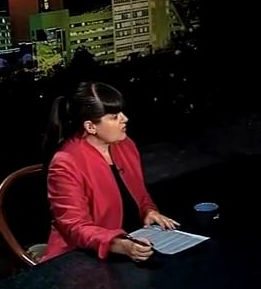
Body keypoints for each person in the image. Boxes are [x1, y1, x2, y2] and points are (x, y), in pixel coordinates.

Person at [40, 81, 178, 264]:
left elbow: (139, 192)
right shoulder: (65, 163)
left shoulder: (125, 145)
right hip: (80, 258)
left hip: (132, 243)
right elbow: (75, 227)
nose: (125, 118)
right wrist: (118, 245)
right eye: (114, 116)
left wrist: (149, 211)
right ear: (91, 127)